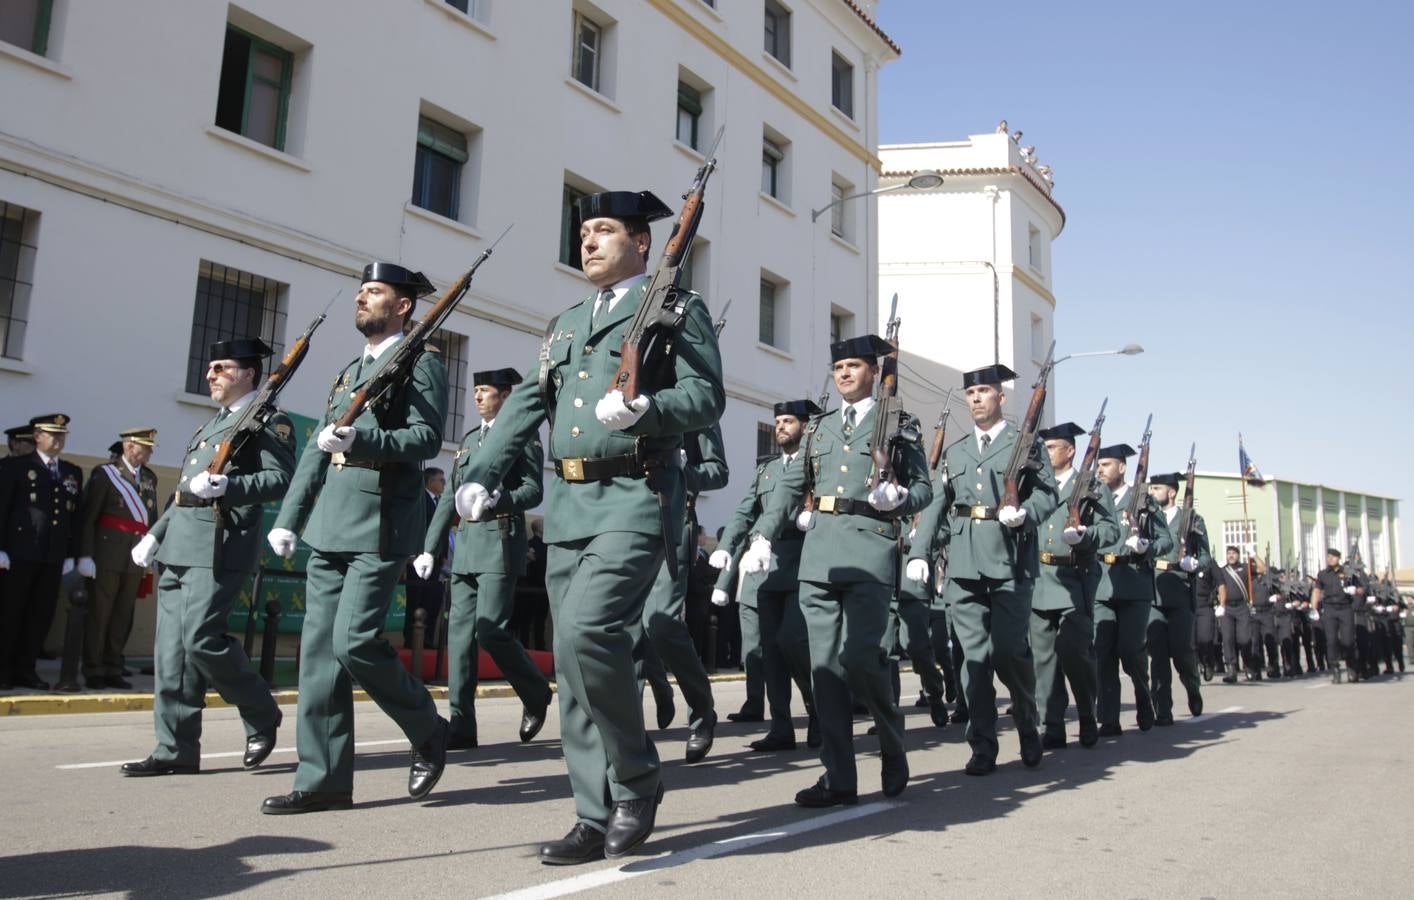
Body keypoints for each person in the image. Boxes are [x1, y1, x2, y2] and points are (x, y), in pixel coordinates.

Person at [455, 190, 724, 864]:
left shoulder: (674, 308)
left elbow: (705, 396)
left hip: (636, 496)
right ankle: (590, 810)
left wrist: (646, 408)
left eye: (604, 230)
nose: (589, 241)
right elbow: (524, 407)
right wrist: (481, 473)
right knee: (573, 669)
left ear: (641, 242)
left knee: (588, 631)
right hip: (569, 504)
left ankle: (637, 779)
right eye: (583, 232)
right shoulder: (566, 321)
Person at [262, 262, 450, 814]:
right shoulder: (348, 372)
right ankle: (322, 780)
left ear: (403, 306)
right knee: (318, 659)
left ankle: (427, 727)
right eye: (361, 292)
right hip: (331, 528)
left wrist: (361, 437)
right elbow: (318, 451)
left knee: (354, 643)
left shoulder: (421, 363)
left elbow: (425, 439)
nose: (361, 299)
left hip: (380, 524)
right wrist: (288, 519)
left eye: (375, 292)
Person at [749, 335, 930, 803]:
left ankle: (892, 744)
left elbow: (924, 489)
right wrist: (764, 534)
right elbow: (790, 486)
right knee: (824, 670)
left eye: (854, 366)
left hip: (869, 554)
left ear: (874, 371)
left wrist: (902, 498)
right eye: (839, 367)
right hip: (819, 558)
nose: (845, 373)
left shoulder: (898, 423)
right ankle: (839, 777)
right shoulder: (820, 428)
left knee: (863, 659)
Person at [122, 342, 292, 775]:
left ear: (249, 374)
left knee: (201, 638)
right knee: (171, 655)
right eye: (210, 366)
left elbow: (279, 479)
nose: (211, 374)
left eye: (222, 367)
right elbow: (184, 491)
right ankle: (174, 749)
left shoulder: (267, 421)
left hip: (220, 544)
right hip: (180, 544)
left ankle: (260, 711)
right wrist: (156, 535)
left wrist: (228, 489)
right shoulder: (210, 426)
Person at [908, 364, 1055, 775]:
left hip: (1009, 561)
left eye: (985, 392)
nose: (976, 399)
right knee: (973, 660)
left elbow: (1049, 494)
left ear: (1001, 398)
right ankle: (983, 745)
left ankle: (1028, 723)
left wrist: (1025, 514)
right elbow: (938, 503)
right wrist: (920, 551)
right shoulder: (956, 451)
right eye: (971, 393)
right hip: (965, 565)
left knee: (1008, 653)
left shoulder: (1024, 443)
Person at [416, 367, 551, 751]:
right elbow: (449, 496)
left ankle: (535, 690)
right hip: (468, 546)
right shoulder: (471, 439)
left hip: (499, 541)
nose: (477, 397)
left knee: (491, 629)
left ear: (506, 396)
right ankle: (462, 724)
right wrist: (431, 545)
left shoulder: (521, 435)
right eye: (475, 390)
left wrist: (501, 499)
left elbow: (532, 489)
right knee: (458, 639)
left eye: (485, 391)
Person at [710, 399, 821, 751]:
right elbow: (745, 512)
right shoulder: (767, 471)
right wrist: (726, 546)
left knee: (794, 642)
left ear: (805, 426)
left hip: (805, 561)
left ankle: (818, 711)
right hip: (766, 565)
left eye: (789, 421)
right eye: (778, 422)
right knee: (768, 649)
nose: (781, 427)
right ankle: (781, 727)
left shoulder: (820, 465)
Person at [636, 420, 726, 761]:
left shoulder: (694, 406)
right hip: (619, 522)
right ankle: (633, 730)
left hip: (670, 523)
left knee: (660, 623)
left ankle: (702, 710)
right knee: (623, 626)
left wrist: (685, 468)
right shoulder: (617, 390)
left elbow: (718, 472)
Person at [1029, 422, 1120, 749]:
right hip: (1039, 578)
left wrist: (1086, 536)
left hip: (1075, 578)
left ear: (1070, 450)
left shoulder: (1092, 486)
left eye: (1053, 447)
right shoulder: (1035, 483)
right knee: (1044, 660)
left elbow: (1112, 531)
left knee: (1076, 655)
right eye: (1045, 446)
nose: (1047, 452)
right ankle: (1052, 725)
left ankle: (1085, 715)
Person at [1092, 444, 1171, 736]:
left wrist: (1147, 546)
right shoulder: (1095, 497)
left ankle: (1143, 697)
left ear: (1122, 468)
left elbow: (1166, 540)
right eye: (1098, 465)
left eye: (1107, 464)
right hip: (1101, 582)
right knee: (1103, 651)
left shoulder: (1142, 499)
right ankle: (1109, 718)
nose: (1100, 470)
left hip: (1134, 581)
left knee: (1129, 649)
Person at [0, 413, 83, 691]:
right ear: (38, 437)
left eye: (62, 435)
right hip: (19, 554)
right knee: (11, 613)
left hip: (52, 556)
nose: (59, 440)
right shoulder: (17, 467)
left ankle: (26, 669)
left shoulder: (71, 471)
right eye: (53, 435)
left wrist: (73, 553)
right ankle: (3, 670)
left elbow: (75, 517)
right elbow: (3, 510)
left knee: (40, 616)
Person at [74, 428, 160, 690]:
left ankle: (113, 665)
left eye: (150, 447)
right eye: (143, 447)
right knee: (100, 614)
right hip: (106, 554)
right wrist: (86, 555)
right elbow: (89, 518)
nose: (148, 452)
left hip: (134, 557)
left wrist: (152, 549)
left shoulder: (149, 478)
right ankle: (93, 667)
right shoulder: (106, 474)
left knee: (123, 614)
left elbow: (151, 518)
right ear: (128, 446)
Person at [1145, 472, 1207, 724]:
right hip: (1153, 590)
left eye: (1157, 488)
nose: (1151, 493)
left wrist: (1194, 564)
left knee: (1181, 651)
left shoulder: (1191, 519)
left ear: (1171, 492)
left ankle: (1192, 686)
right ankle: (1162, 708)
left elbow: (1206, 556)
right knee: (1157, 654)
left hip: (1180, 589)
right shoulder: (1147, 517)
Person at [403, 467, 447, 651]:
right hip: (419, 559)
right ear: (429, 482)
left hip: (436, 560)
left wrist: (443, 555)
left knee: (431, 601)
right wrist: (412, 555)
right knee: (416, 601)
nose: (444, 483)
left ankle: (427, 639)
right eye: (440, 480)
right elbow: (415, 526)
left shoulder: (439, 502)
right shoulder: (421, 499)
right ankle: (412, 641)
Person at [1311, 549, 1356, 683]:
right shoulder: (1323, 574)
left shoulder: (1348, 572)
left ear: (1338, 558)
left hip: (1345, 608)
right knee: (1331, 641)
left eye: (1333, 557)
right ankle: (1335, 669)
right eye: (1328, 556)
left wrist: (1354, 590)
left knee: (1347, 641)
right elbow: (1317, 591)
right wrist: (1313, 608)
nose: (1330, 559)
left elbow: (1361, 588)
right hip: (1329, 609)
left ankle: (1350, 666)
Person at [1215, 545, 1256, 683]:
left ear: (1238, 555)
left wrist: (1254, 554)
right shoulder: (1222, 570)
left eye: (1233, 553)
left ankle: (1248, 665)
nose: (1231, 556)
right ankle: (1231, 670)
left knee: (1244, 639)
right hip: (1227, 608)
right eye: (1229, 553)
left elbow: (1263, 569)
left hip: (1242, 607)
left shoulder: (1245, 568)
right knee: (1227, 639)